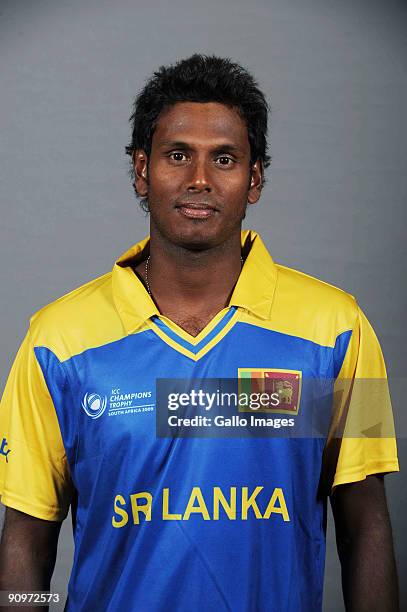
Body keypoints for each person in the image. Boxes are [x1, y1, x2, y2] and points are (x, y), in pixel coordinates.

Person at [0, 54, 400, 611]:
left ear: (254, 178)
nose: (199, 180)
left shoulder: (339, 328)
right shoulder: (56, 341)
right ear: (142, 169)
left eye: (226, 159)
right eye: (177, 155)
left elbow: (369, 526)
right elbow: (25, 541)